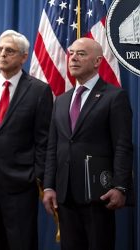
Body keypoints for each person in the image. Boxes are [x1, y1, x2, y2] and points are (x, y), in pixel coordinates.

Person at [42, 37, 133, 250]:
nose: (73, 57)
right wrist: (48, 186)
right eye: (71, 53)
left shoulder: (114, 96)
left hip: (98, 194)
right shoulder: (62, 100)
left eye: (81, 54)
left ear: (97, 61)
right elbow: (53, 147)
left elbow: (123, 145)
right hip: (65, 196)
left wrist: (120, 186)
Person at [0, 30, 53, 250]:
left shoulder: (39, 91)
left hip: (20, 183)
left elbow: (43, 141)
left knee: (21, 243)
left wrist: (37, 176)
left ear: (23, 57)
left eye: (10, 50)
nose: (2, 54)